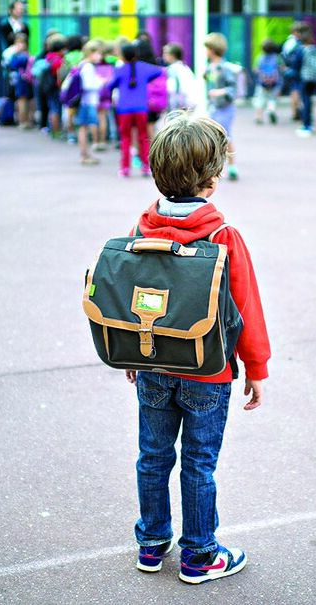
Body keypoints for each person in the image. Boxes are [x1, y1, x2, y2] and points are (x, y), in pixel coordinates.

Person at [124, 110, 270, 585]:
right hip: (207, 371)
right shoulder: (222, 236)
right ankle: (200, 553)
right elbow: (246, 307)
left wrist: (132, 351)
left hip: (151, 360)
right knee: (198, 462)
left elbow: (130, 296)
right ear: (212, 179)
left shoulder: (142, 229)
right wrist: (256, 368)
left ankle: (151, 542)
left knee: (153, 455)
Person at [105, 43, 161, 177]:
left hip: (124, 110)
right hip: (141, 108)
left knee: (125, 138)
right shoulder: (144, 67)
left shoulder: (119, 69)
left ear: (122, 56)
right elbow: (159, 71)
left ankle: (125, 168)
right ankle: (146, 166)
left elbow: (110, 85)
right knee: (143, 137)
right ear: (136, 54)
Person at [203, 32, 239, 180]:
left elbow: (233, 89)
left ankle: (232, 166)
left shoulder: (225, 68)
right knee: (213, 137)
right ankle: (215, 167)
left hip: (225, 108)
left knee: (225, 136)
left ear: (212, 49)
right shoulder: (210, 67)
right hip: (214, 107)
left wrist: (219, 92)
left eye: (207, 48)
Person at [76, 40, 106, 165]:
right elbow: (88, 86)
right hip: (87, 102)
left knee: (84, 128)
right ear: (91, 53)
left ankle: (85, 154)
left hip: (85, 102)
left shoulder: (83, 65)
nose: (100, 56)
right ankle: (84, 155)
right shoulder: (88, 67)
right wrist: (100, 82)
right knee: (84, 128)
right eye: (98, 53)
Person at [252, 39, 282, 125]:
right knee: (272, 99)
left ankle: (259, 117)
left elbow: (255, 69)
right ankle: (271, 110)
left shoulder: (260, 58)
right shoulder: (277, 57)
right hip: (275, 84)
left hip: (262, 83)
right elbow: (282, 68)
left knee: (260, 99)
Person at [162, 42, 197, 113]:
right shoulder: (185, 67)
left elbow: (172, 89)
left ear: (172, 55)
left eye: (165, 53)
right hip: (188, 106)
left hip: (179, 107)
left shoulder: (173, 69)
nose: (163, 56)